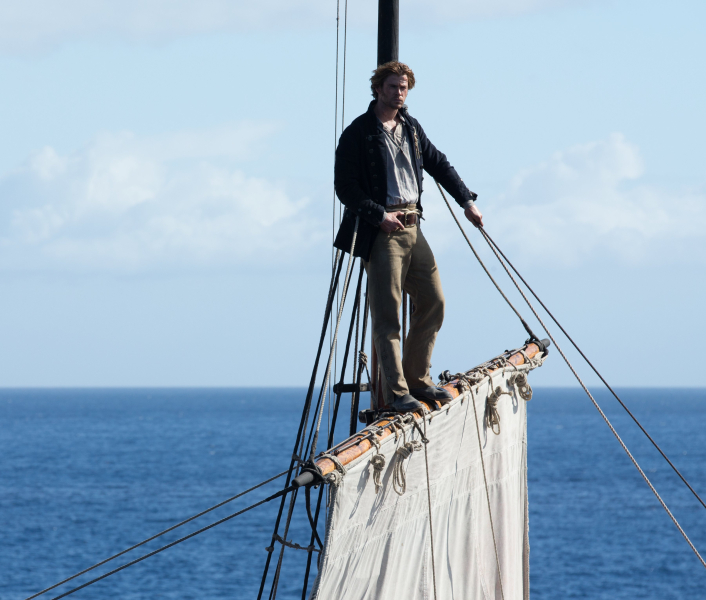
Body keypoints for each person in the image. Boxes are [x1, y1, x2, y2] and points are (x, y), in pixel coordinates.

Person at [333, 61, 483, 412]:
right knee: (387, 314)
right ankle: (397, 393)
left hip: (414, 225)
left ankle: (418, 380)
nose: (399, 93)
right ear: (377, 89)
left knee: (433, 301)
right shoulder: (358, 132)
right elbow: (345, 186)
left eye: (403, 88)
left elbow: (439, 163)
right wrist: (378, 216)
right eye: (392, 87)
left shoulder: (411, 128)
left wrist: (467, 201)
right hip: (383, 230)